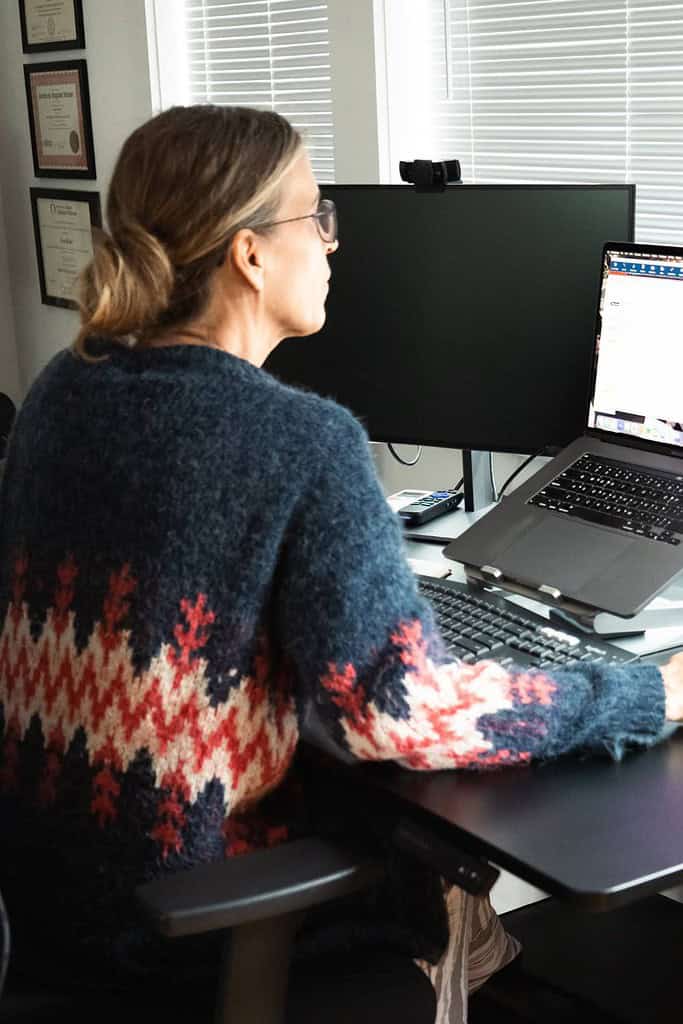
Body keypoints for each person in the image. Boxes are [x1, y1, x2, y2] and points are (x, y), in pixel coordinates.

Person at [1, 104, 682, 1023]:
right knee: (442, 857)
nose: (332, 243)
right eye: (317, 216)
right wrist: (648, 695)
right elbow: (395, 716)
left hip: (52, 892)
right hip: (187, 927)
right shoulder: (298, 442)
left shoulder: (64, 388)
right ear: (250, 254)